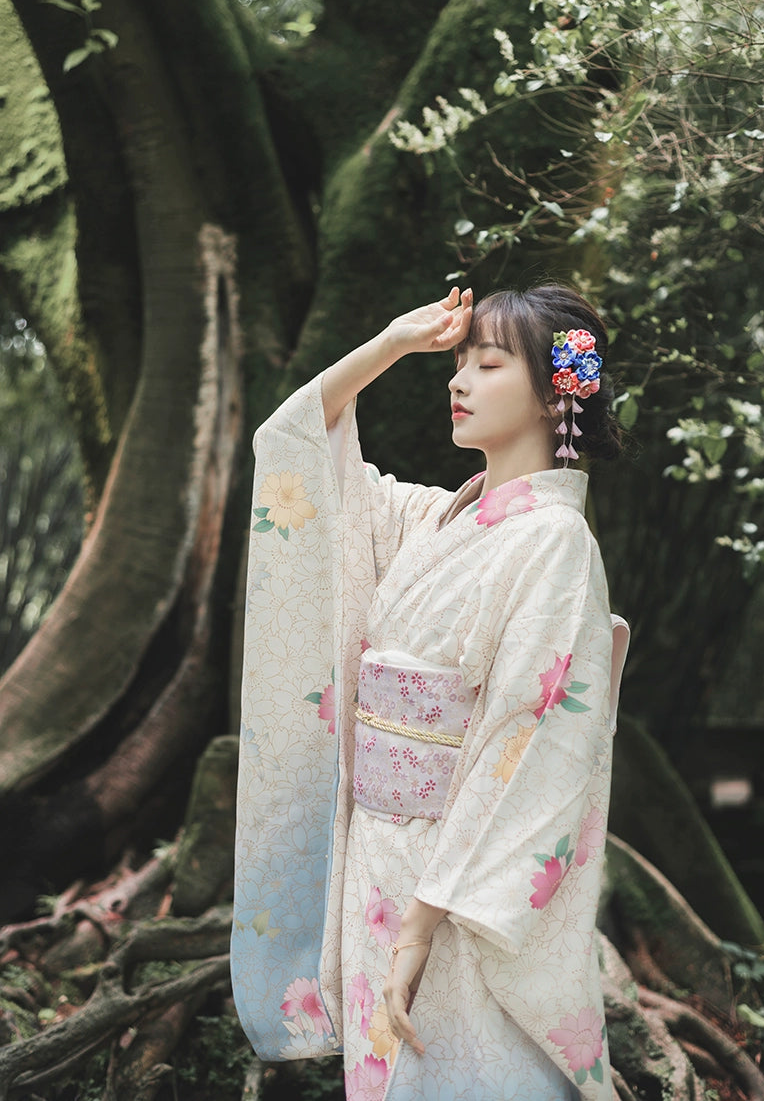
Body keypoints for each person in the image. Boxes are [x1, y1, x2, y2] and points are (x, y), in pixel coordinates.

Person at [231, 284, 626, 1101]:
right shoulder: (431, 520)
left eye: (486, 364)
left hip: (458, 884)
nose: (459, 381)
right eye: (456, 364)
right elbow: (297, 441)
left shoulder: (555, 542)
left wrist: (425, 916)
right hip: (379, 855)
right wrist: (390, 341)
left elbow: (534, 742)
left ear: (559, 394)